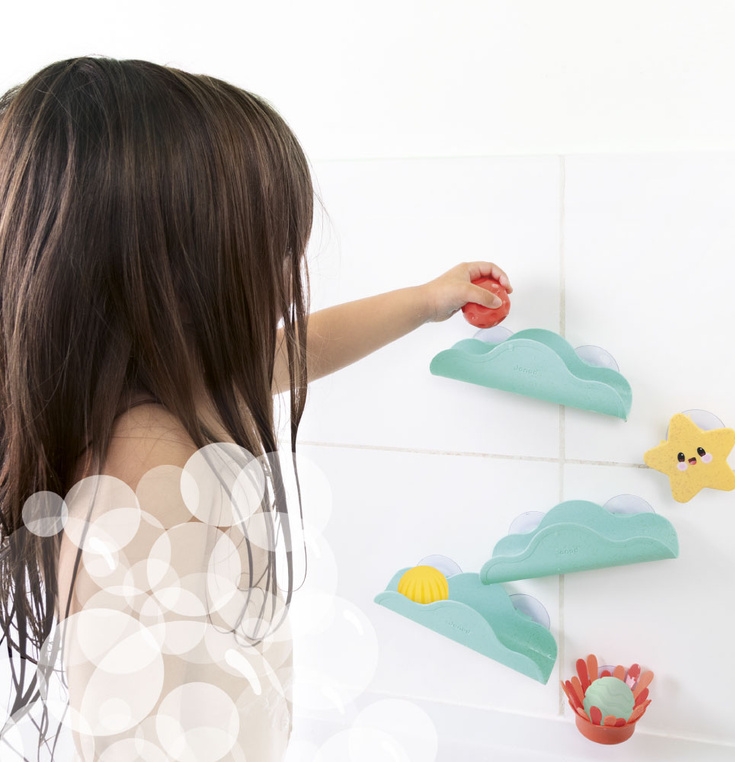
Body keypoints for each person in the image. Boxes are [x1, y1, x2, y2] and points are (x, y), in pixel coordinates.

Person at [0, 55, 511, 760]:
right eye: (265, 250)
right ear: (176, 271)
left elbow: (309, 345)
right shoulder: (147, 476)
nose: (283, 272)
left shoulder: (179, 384)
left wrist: (427, 300)